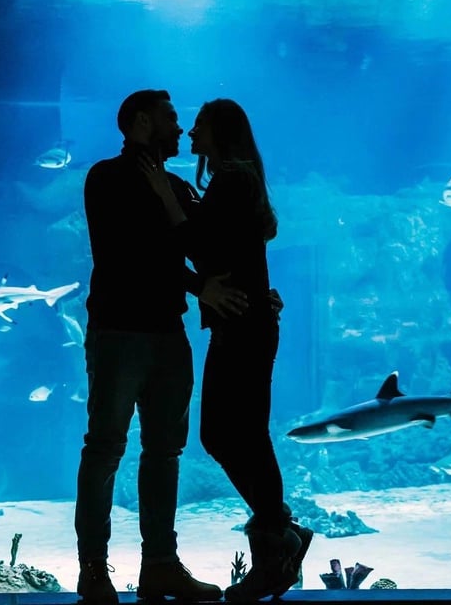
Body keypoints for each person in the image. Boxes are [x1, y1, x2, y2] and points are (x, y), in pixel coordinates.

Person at [75, 89, 247, 603]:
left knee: (164, 451)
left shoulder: (176, 186)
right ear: (141, 121)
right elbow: (132, 252)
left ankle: (160, 565)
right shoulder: (105, 178)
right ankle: (93, 568)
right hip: (118, 332)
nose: (180, 128)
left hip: (169, 333)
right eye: (171, 118)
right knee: (106, 447)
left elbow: (208, 246)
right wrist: (199, 286)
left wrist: (256, 295)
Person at [140, 98, 313, 602]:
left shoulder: (233, 179)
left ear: (221, 132)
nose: (191, 134)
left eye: (199, 126)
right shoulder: (235, 180)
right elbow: (233, 248)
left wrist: (164, 195)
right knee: (232, 434)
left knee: (234, 435)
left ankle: (276, 546)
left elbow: (200, 245)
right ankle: (281, 535)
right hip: (244, 321)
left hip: (243, 325)